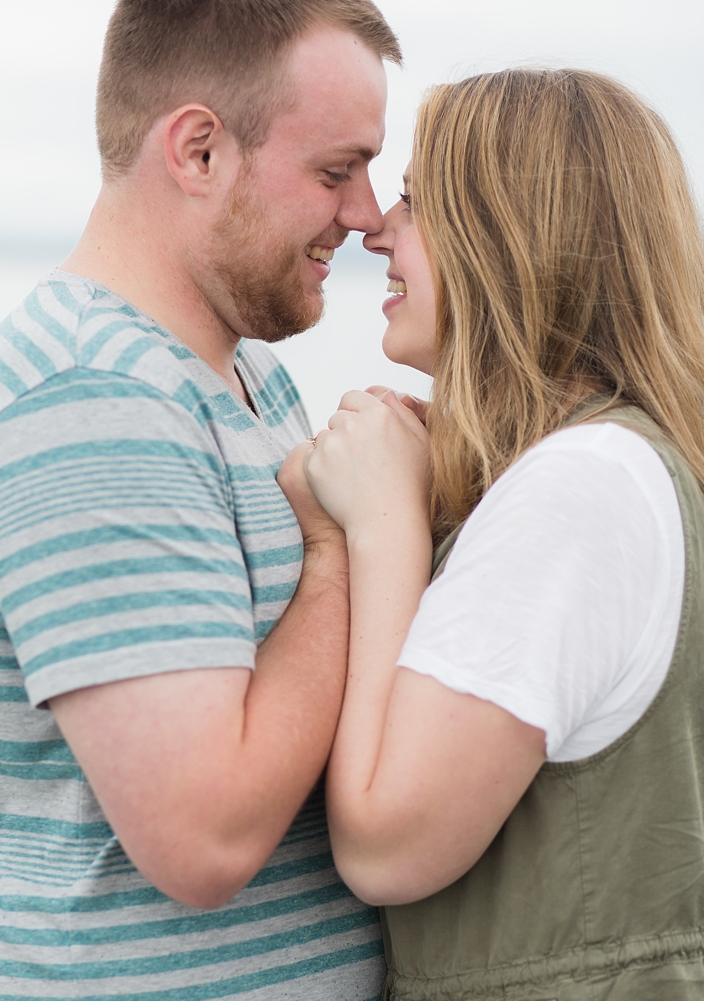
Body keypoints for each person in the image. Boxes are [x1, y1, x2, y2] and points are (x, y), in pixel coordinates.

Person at [0, 0, 400, 998]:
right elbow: (205, 835)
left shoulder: (242, 377)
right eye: (336, 170)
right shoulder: (88, 399)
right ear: (198, 150)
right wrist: (349, 539)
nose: (367, 213)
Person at [279, 68, 703, 998]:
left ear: (514, 238)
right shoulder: (610, 462)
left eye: (419, 201)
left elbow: (387, 846)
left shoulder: (579, 487)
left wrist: (383, 523)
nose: (377, 227)